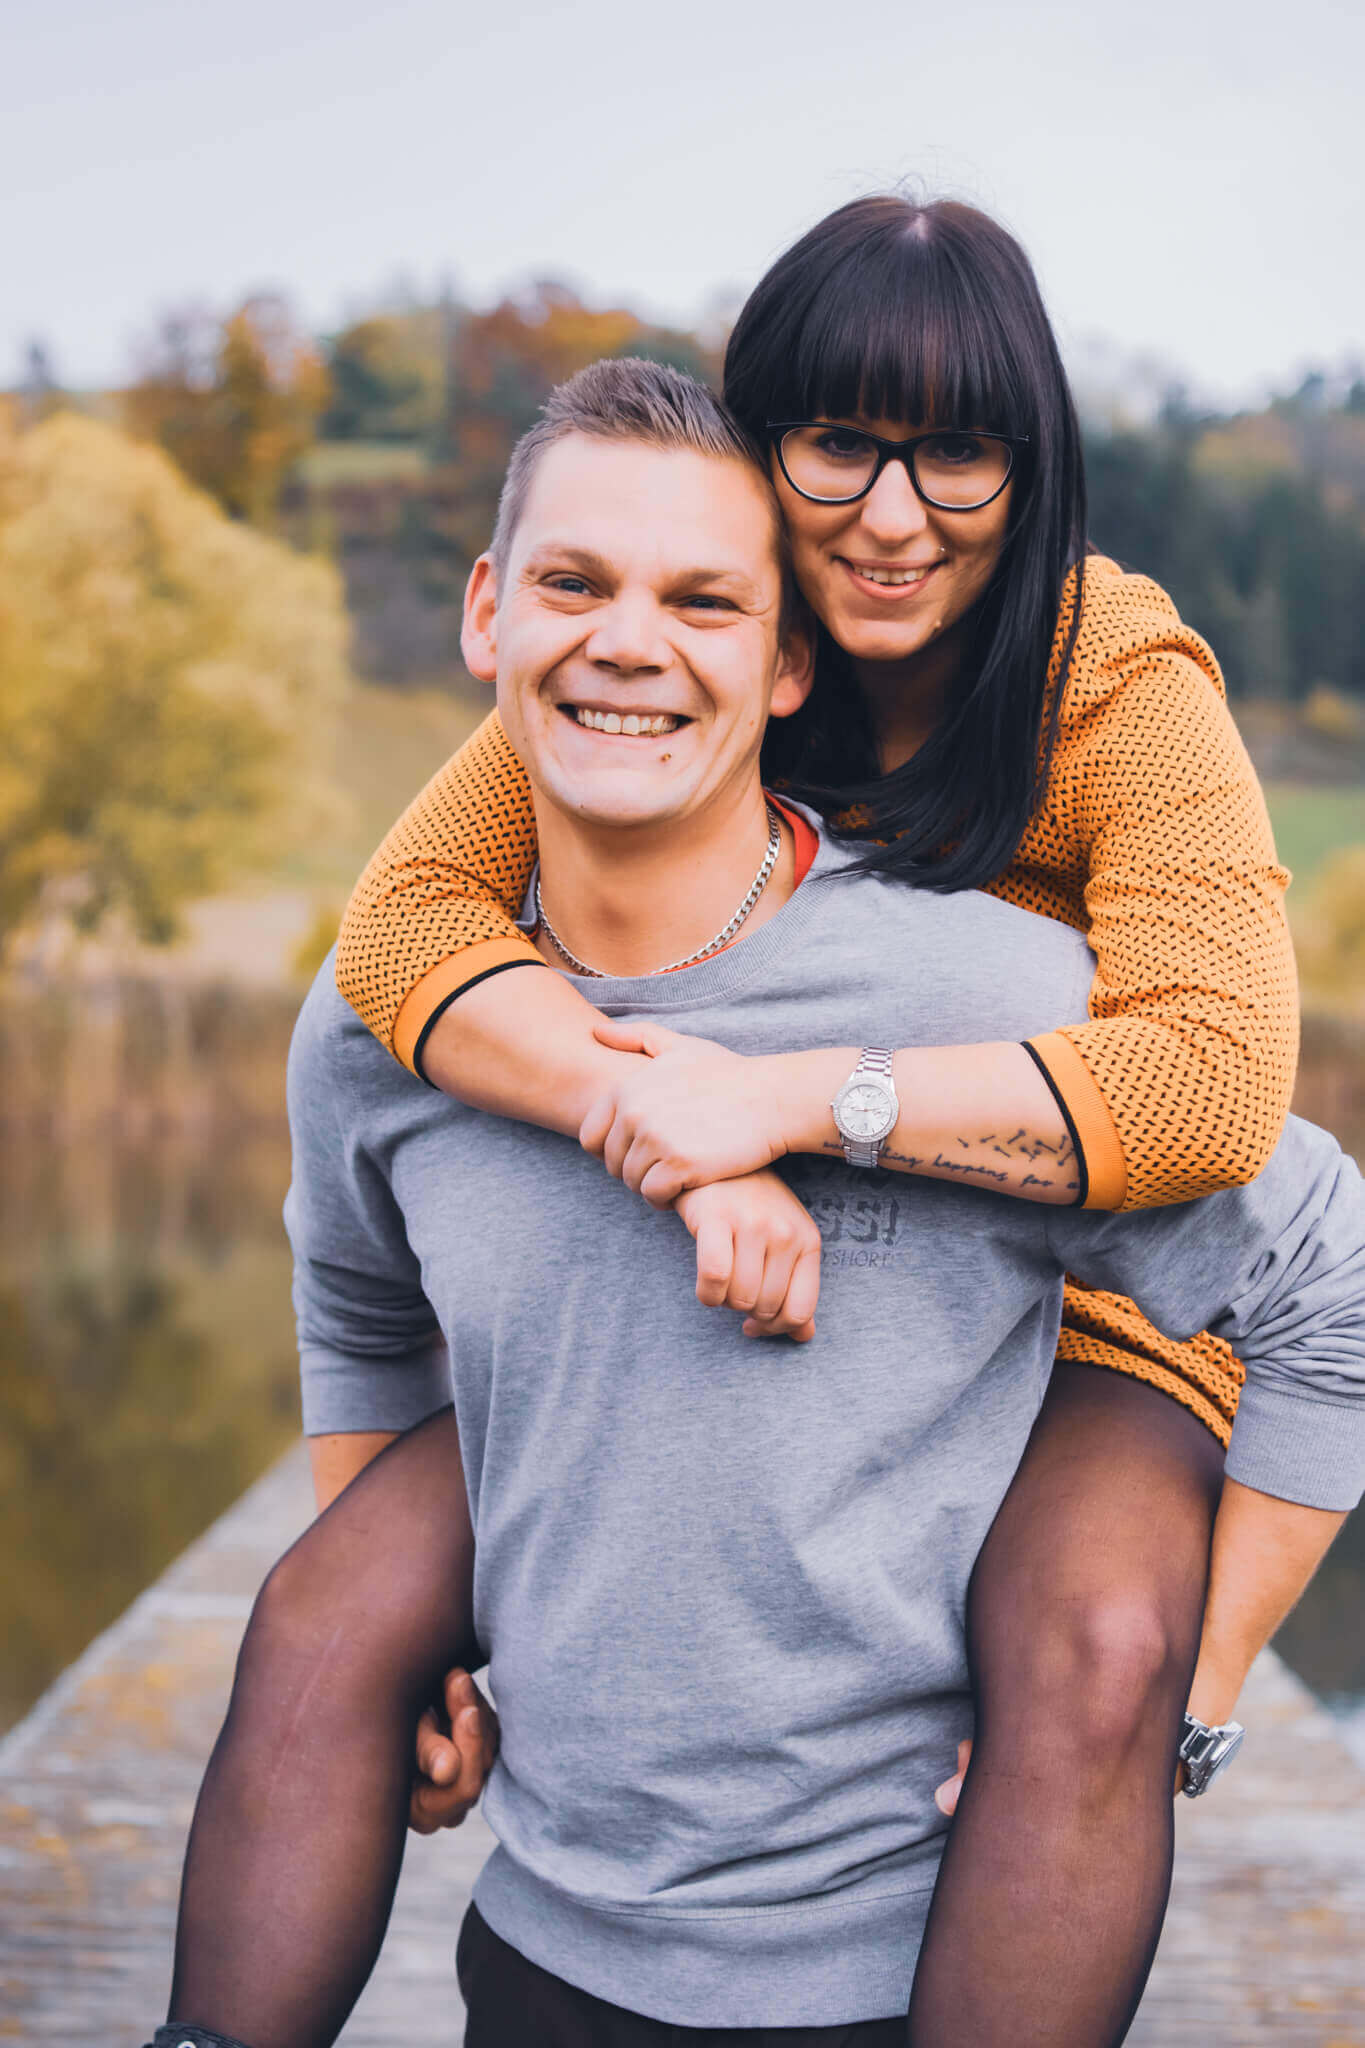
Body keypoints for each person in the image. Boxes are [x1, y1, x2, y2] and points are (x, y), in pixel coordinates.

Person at [149, 361, 1362, 2048]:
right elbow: (359, 1304)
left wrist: (1202, 1685)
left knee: (1098, 1633)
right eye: (572, 584)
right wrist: (414, 1629)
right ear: (486, 610)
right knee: (310, 1618)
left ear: (784, 662)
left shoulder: (1008, 929)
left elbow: (1281, 1198)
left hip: (899, 1942)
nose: (628, 639)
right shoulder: (398, 1003)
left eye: (702, 599)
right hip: (546, 1950)